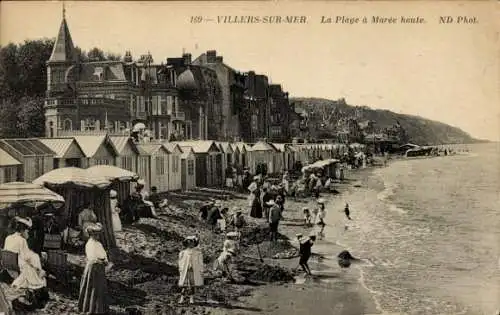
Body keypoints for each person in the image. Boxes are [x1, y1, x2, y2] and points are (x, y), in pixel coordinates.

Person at [4, 217, 49, 310]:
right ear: (22, 230)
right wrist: (36, 264)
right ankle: (37, 295)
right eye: (27, 231)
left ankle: (30, 294)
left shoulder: (8, 238)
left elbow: (9, 252)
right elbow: (26, 256)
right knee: (36, 267)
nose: (28, 233)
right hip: (18, 266)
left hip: (9, 264)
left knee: (34, 259)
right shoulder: (22, 240)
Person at [78, 223, 110, 314]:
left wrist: (105, 260)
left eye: (98, 234)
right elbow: (93, 257)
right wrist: (103, 261)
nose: (97, 236)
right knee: (94, 288)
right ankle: (93, 309)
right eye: (95, 234)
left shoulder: (96, 243)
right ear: (91, 235)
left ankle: (96, 308)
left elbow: (103, 254)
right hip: (95, 267)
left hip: (96, 266)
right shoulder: (91, 244)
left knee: (96, 287)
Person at [178, 236, 204, 304]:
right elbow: (180, 262)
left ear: (194, 243)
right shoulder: (183, 253)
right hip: (185, 270)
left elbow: (200, 262)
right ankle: (182, 298)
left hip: (193, 270)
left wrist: (201, 270)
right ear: (186, 243)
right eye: (188, 243)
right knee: (184, 285)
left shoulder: (198, 253)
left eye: (191, 242)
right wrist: (181, 269)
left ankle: (191, 298)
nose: (190, 244)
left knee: (192, 284)